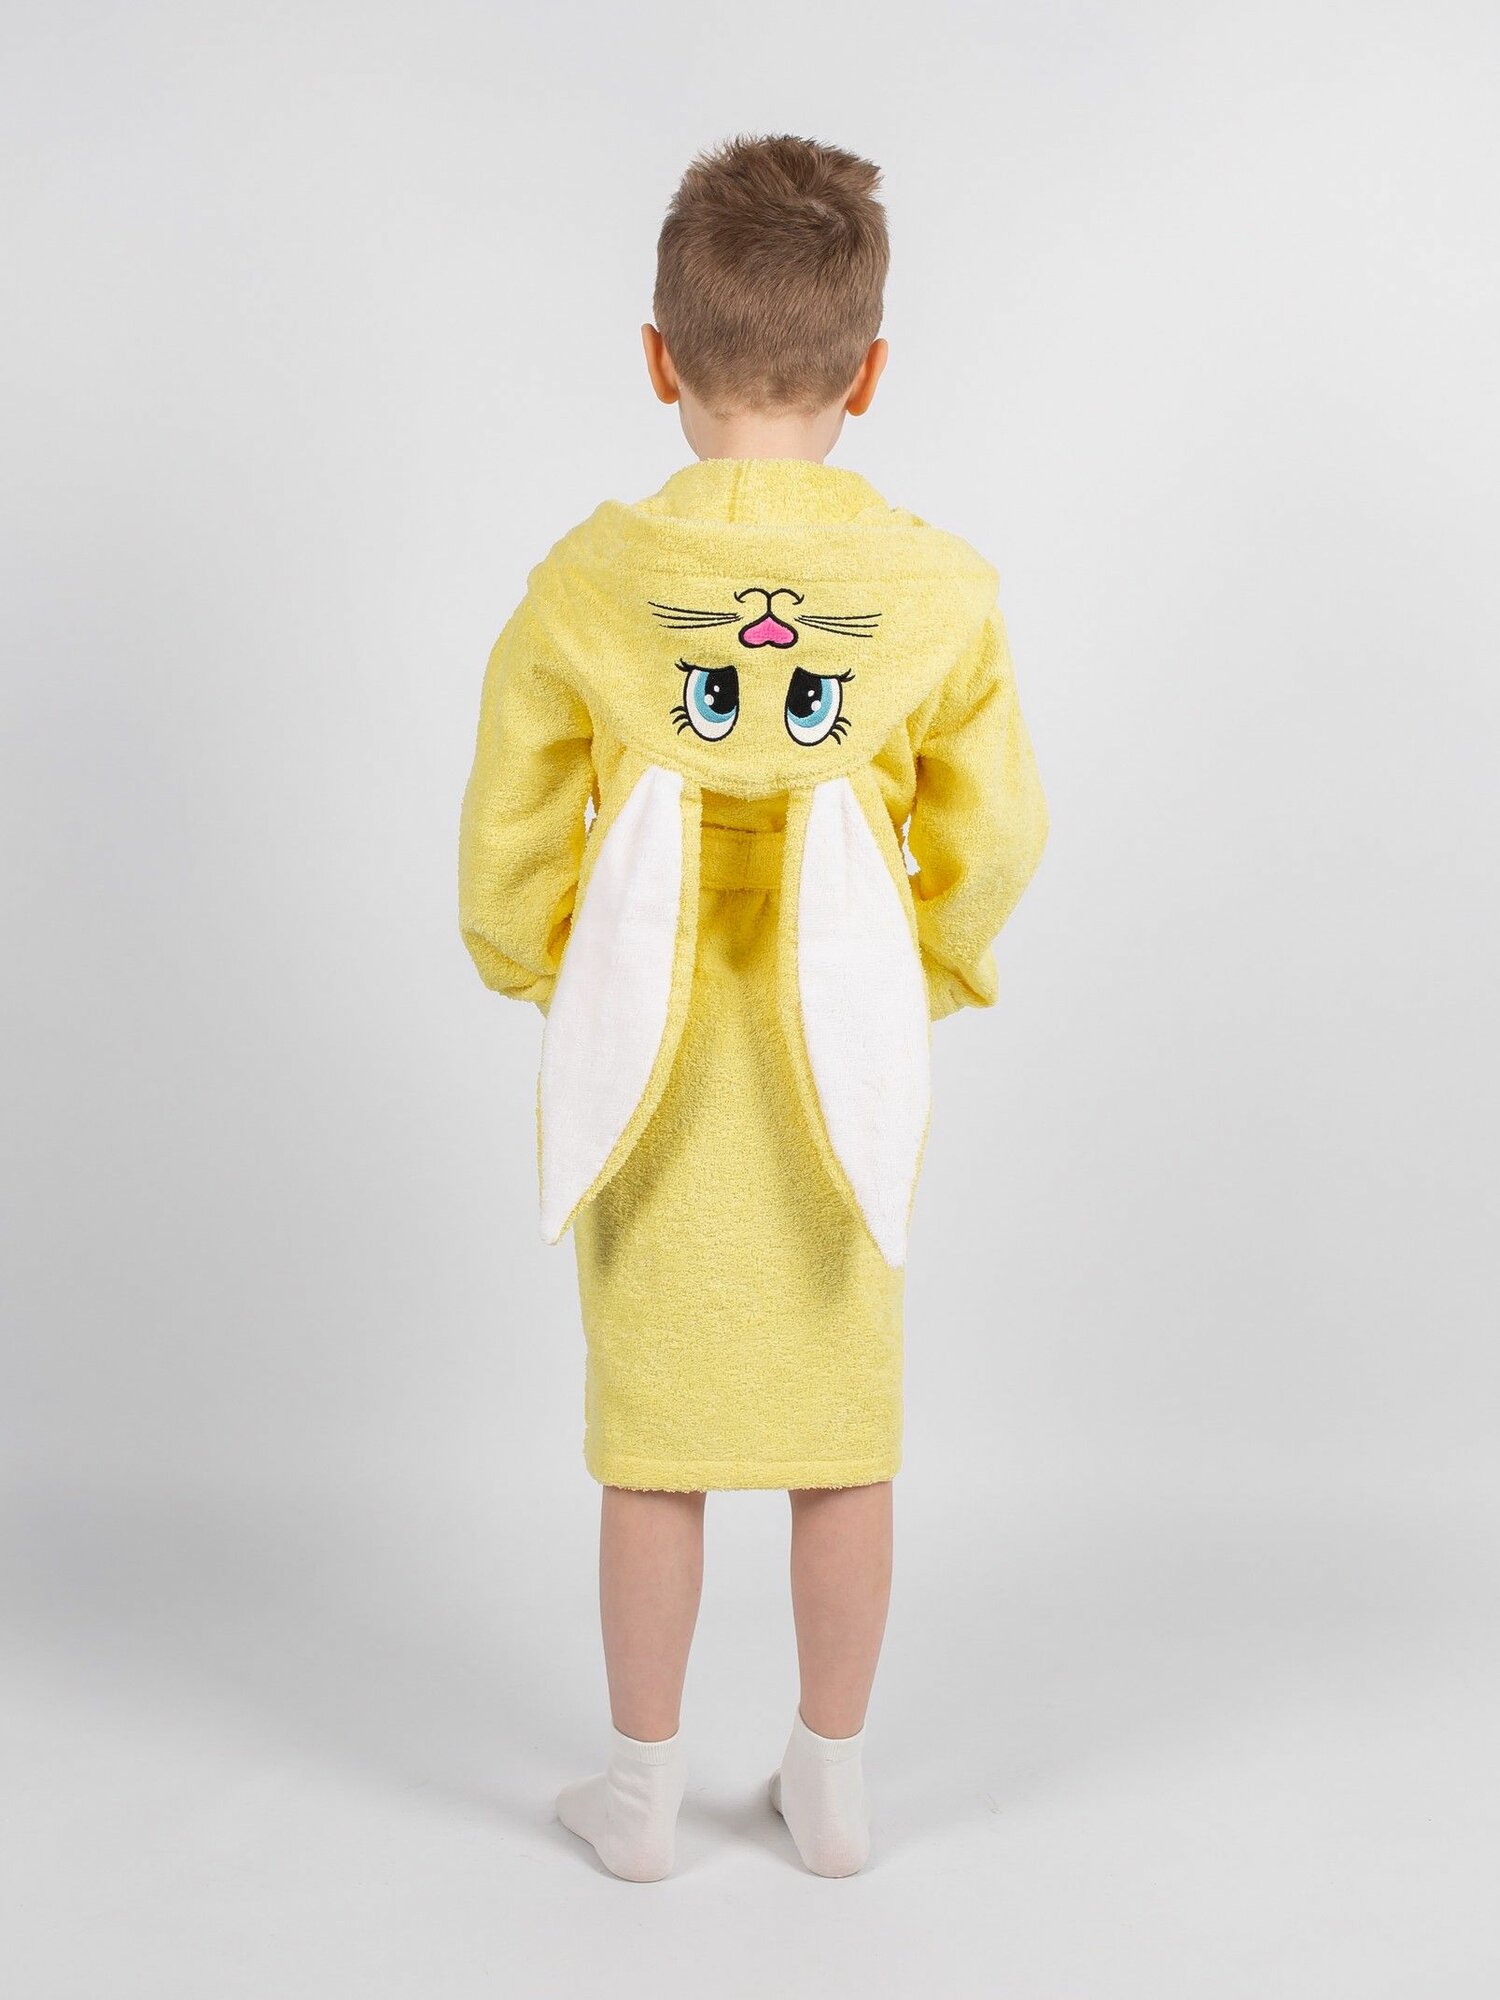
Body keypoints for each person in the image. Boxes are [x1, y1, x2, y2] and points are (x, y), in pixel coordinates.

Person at [458, 133, 1048, 1881]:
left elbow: (510, 816)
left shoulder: (591, 580)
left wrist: (533, 954)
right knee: (840, 1440)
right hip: (838, 1065)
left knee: (654, 1447)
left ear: (661, 360)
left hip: (647, 1064)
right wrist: (932, 965)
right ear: (870, 372)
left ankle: (641, 1796)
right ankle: (832, 1784)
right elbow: (998, 829)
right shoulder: (938, 591)